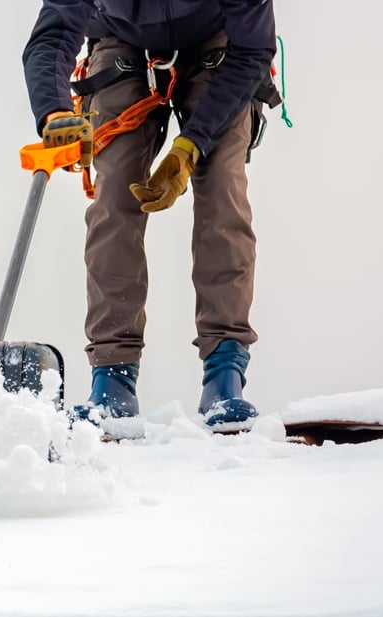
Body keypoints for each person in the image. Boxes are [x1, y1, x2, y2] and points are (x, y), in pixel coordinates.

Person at [22, 0, 281, 431]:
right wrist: (54, 111)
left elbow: (253, 50)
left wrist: (192, 144)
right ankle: (113, 376)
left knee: (221, 184)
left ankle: (225, 375)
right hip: (120, 40)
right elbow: (54, 33)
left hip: (219, 45)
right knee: (114, 199)